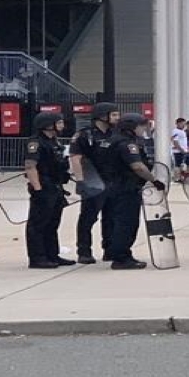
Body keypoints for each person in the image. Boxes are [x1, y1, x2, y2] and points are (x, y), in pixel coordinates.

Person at [100, 112, 164, 269]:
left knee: (112, 221)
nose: (143, 130)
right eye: (141, 126)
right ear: (132, 127)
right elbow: (138, 166)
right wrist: (154, 180)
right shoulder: (128, 144)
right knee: (126, 223)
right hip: (126, 188)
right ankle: (122, 257)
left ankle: (112, 251)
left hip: (110, 187)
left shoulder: (109, 141)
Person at [24, 109, 75, 269]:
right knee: (38, 223)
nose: (62, 125)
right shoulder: (36, 142)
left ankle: (52, 254)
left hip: (55, 186)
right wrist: (37, 189)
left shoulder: (54, 141)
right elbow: (30, 166)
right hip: (43, 186)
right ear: (47, 125)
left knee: (53, 222)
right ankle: (38, 257)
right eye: (58, 122)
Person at [69, 104, 118, 264]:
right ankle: (84, 251)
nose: (117, 118)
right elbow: (75, 158)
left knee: (111, 218)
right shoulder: (84, 135)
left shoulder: (115, 134)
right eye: (114, 115)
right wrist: (81, 180)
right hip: (92, 182)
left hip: (111, 181)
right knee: (88, 218)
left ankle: (110, 249)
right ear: (103, 116)